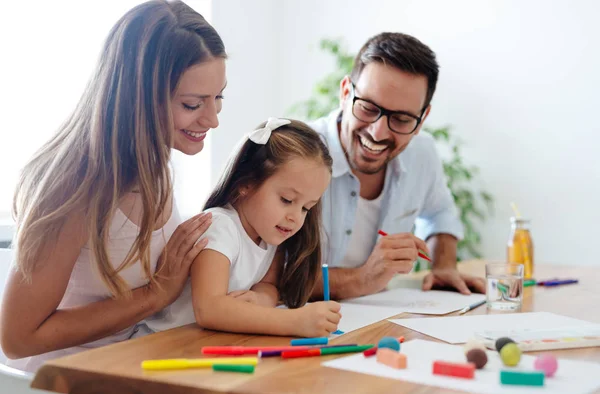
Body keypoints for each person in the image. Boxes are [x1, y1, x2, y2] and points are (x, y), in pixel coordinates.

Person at [0, 0, 226, 372]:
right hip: (63, 385)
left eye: (218, 98)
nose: (213, 119)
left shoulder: (156, 165)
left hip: (127, 368)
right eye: (192, 104)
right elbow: (18, 338)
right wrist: (155, 294)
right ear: (140, 97)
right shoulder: (74, 187)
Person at [308, 32, 486, 300]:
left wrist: (444, 266)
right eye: (368, 107)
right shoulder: (296, 154)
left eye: (402, 119)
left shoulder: (422, 153)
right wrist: (363, 279)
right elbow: (271, 277)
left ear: (422, 119)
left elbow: (440, 214)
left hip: (380, 322)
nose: (378, 133)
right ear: (345, 93)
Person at [145, 118, 341, 338]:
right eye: (287, 200)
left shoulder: (269, 233)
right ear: (246, 184)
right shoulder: (220, 227)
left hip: (205, 343)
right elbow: (209, 309)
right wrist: (295, 321)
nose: (296, 217)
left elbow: (269, 285)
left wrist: (261, 299)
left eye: (306, 208)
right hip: (162, 344)